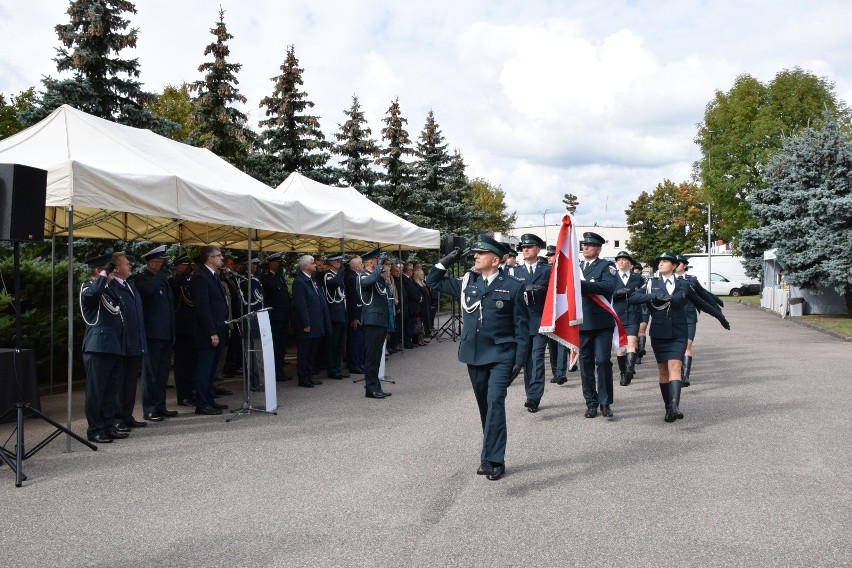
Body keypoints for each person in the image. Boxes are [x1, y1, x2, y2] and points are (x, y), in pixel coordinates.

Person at [426, 235, 529, 481]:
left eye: (480, 254)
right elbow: (432, 281)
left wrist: (520, 359)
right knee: (485, 406)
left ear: (495, 260)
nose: (475, 256)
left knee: (495, 402)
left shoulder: (513, 286)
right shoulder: (468, 284)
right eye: (475, 253)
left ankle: (493, 459)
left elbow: (522, 326)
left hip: (501, 354)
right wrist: (448, 259)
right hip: (474, 354)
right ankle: (491, 453)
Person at [629, 252, 730, 421]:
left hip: (678, 332)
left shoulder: (684, 284)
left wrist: (720, 317)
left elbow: (701, 302)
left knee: (675, 366)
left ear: (674, 266)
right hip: (659, 333)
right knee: (663, 371)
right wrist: (654, 296)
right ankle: (668, 407)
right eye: (659, 261)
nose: (661, 264)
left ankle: (675, 406)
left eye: (665, 261)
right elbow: (633, 297)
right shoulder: (651, 283)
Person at [79, 254, 130, 443]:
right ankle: (95, 429)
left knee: (110, 391)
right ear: (98, 270)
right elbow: (92, 296)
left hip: (114, 347)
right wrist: (103, 275)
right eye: (109, 269)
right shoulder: (88, 286)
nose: (113, 272)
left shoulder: (109, 290)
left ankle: (108, 425)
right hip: (98, 347)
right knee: (96, 392)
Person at [577, 232, 619, 418]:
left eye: (590, 245)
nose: (586, 247)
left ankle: (605, 402)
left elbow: (608, 288)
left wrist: (582, 285)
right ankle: (591, 402)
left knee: (602, 361)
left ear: (599, 248)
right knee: (585, 364)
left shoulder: (606, 266)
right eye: (584, 244)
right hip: (581, 323)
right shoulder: (575, 267)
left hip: (602, 322)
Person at [135, 245, 178, 422]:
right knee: (151, 373)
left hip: (166, 333)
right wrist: (161, 276)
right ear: (152, 264)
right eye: (161, 263)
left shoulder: (163, 281)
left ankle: (160, 406)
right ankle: (150, 408)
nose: (164, 266)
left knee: (162, 373)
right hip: (152, 334)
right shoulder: (142, 279)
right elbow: (149, 292)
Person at [190, 246, 229, 415]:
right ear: (210, 259)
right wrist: (212, 332)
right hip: (207, 332)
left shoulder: (213, 276)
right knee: (204, 367)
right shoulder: (200, 277)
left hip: (219, 328)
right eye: (218, 256)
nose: (221, 258)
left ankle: (209, 399)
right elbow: (203, 308)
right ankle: (202, 403)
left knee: (212, 367)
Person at [515, 233, 552, 413]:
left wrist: (542, 290)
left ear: (538, 249)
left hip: (540, 321)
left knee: (537, 358)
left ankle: (534, 397)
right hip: (521, 323)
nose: (526, 250)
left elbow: (555, 296)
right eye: (523, 248)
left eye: (529, 247)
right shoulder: (515, 271)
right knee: (526, 360)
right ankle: (530, 392)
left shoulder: (547, 271)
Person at [111, 252, 148, 429]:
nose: (130, 266)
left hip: (134, 341)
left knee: (131, 381)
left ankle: (127, 415)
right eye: (126, 264)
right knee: (119, 382)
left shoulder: (130, 286)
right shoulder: (112, 287)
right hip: (121, 343)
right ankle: (117, 418)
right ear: (116, 268)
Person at [675, 254, 724, 387]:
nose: (676, 265)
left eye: (679, 263)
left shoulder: (691, 280)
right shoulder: (667, 280)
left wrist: (716, 304)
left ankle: (685, 376)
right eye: (675, 262)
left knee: (688, 345)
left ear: (684, 265)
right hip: (673, 317)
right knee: (677, 346)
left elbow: (703, 293)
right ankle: (677, 371)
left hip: (689, 316)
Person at [292, 254, 331, 388]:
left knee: (312, 351)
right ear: (305, 266)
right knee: (304, 352)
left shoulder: (312, 280)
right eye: (313, 263)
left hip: (316, 322)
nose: (315, 265)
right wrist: (306, 323)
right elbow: (300, 305)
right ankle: (303, 378)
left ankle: (309, 375)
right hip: (308, 324)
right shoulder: (300, 281)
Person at [358, 249, 392, 398]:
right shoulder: (363, 275)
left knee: (377, 356)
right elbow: (369, 282)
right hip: (372, 320)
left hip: (380, 320)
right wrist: (378, 270)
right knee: (371, 357)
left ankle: (375, 387)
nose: (379, 263)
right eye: (376, 261)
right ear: (370, 261)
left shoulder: (376, 277)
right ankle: (371, 389)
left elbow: (385, 291)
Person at [612, 250, 644, 386]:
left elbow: (639, 289)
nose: (621, 262)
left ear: (630, 263)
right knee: (620, 348)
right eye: (619, 260)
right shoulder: (612, 277)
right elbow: (607, 293)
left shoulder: (637, 278)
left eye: (624, 260)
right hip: (617, 315)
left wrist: (630, 290)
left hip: (632, 314)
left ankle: (630, 369)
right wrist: (617, 293)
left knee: (631, 343)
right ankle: (623, 373)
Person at [260, 252, 291, 382]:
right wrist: (276, 274)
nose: (278, 265)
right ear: (271, 263)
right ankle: (274, 372)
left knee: (281, 346)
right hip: (274, 317)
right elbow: (270, 288)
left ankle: (280, 371)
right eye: (276, 262)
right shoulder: (267, 277)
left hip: (283, 316)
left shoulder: (280, 277)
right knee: (275, 345)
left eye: (279, 262)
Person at [170, 255, 196, 406]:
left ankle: (191, 392)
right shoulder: (176, 282)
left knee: (191, 363)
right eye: (185, 266)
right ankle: (183, 395)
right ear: (178, 267)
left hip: (192, 329)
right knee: (182, 365)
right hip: (182, 330)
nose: (188, 268)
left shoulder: (189, 281)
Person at [323, 254, 349, 379]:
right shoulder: (328, 275)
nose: (341, 264)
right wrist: (341, 272)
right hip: (333, 314)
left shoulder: (338, 275)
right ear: (333, 263)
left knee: (339, 344)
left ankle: (337, 368)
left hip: (341, 313)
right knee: (332, 344)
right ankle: (332, 369)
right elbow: (334, 284)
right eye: (339, 262)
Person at [345, 256, 366, 374]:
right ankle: (354, 364)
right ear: (357, 266)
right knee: (355, 341)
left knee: (360, 341)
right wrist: (354, 317)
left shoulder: (357, 277)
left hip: (361, 313)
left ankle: (359, 363)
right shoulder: (353, 278)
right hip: (356, 315)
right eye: (362, 264)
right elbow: (352, 299)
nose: (363, 266)